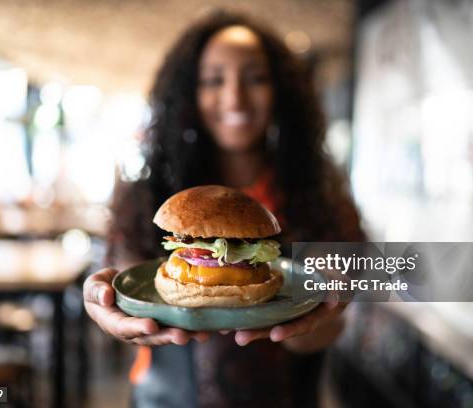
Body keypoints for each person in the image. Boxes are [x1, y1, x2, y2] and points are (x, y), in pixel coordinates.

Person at [84, 11, 365, 407]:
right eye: (214, 80)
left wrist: (321, 312)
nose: (235, 97)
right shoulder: (150, 192)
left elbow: (341, 310)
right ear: (188, 94)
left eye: (255, 78)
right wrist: (102, 299)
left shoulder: (321, 193)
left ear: (281, 90)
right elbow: (124, 282)